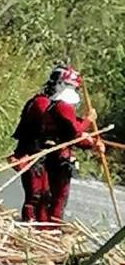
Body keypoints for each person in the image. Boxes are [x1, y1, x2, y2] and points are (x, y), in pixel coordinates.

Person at [10, 65, 104, 223]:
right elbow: (70, 131)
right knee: (38, 195)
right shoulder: (41, 104)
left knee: (57, 198)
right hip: (36, 156)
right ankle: (33, 228)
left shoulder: (63, 107)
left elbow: (70, 132)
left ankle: (51, 230)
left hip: (58, 159)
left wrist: (93, 142)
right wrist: (88, 122)